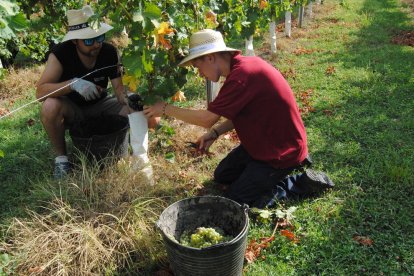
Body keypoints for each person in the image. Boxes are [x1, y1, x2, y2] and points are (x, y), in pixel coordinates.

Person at [143, 29, 309, 207]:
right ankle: (270, 171)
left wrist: (166, 108)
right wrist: (215, 133)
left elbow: (207, 119)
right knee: (222, 175)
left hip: (280, 152)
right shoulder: (243, 68)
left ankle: (299, 182)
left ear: (210, 58)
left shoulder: (241, 77)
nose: (199, 74)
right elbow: (242, 112)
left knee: (235, 199)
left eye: (198, 67)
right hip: (263, 142)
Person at [36, 5, 157, 179]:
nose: (96, 44)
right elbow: (40, 92)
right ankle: (62, 160)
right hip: (72, 109)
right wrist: (73, 84)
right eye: (88, 41)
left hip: (102, 105)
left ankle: (139, 157)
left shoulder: (109, 52)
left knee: (141, 109)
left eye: (99, 37)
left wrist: (129, 97)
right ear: (75, 41)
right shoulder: (60, 54)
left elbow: (118, 91)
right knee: (49, 106)